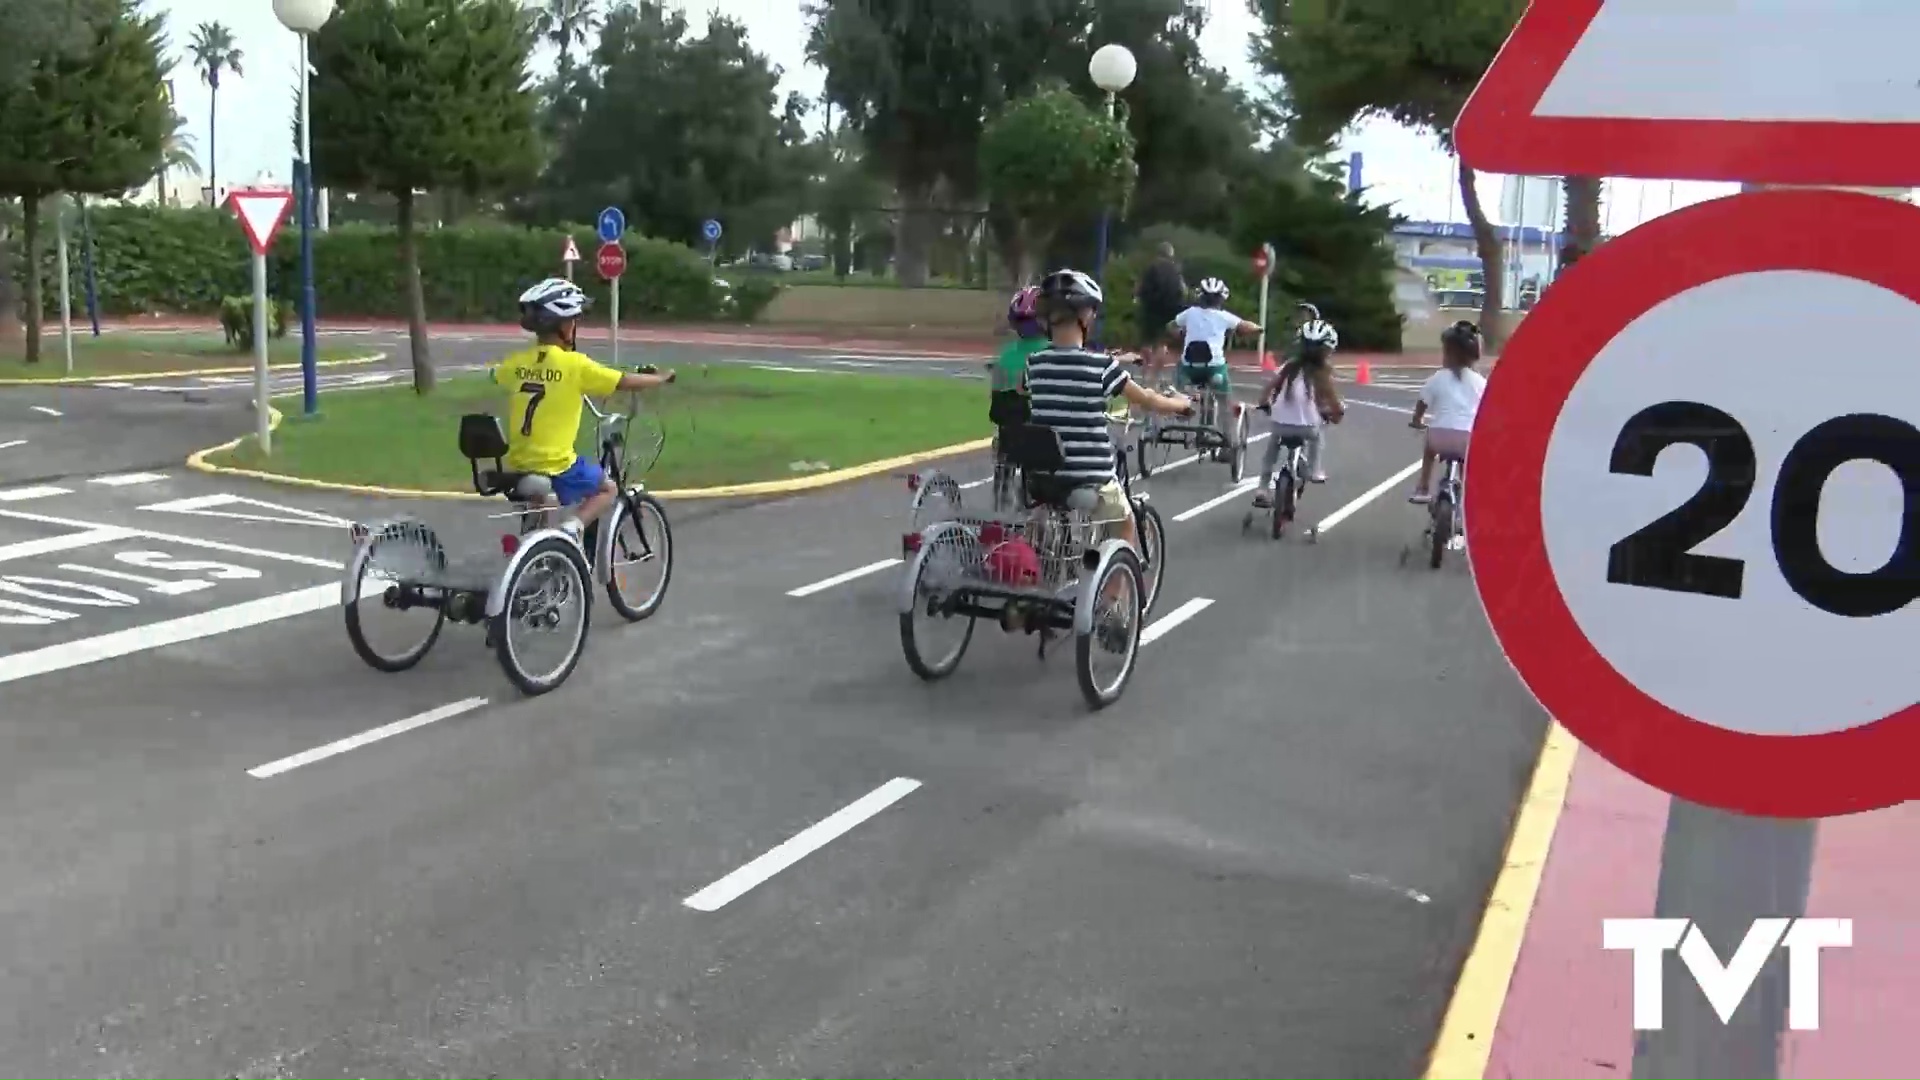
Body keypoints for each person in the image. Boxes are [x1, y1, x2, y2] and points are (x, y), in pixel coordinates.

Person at [1023, 268, 1192, 554]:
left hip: (1042, 478)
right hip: (1089, 479)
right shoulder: (1100, 367)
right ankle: (1112, 598)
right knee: (1124, 522)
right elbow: (1148, 400)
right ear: (1086, 315)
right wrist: (1181, 404)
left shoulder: (1034, 363)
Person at [492, 277, 675, 538]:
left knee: (537, 508)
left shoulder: (516, 362)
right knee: (607, 489)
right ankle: (572, 529)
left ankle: (541, 556)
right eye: (574, 321)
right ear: (564, 326)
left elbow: (498, 376)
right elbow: (623, 381)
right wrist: (660, 378)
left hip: (519, 461)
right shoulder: (576, 365)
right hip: (555, 463)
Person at [1252, 319, 1344, 507]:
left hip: (1280, 425)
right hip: (1308, 428)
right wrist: (1337, 414)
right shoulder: (1323, 372)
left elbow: (1271, 386)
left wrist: (1263, 403)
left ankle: (1262, 487)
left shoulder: (1289, 366)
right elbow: (1332, 401)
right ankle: (1314, 469)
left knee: (1273, 447)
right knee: (1317, 436)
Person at [1408, 320, 1487, 504]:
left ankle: (1423, 487)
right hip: (1467, 437)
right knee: (1465, 464)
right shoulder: (1480, 382)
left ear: (1447, 353)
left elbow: (1422, 403)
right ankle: (1468, 498)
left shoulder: (1438, 378)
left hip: (1439, 436)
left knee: (1429, 451)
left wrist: (1417, 420)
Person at [989, 286, 1048, 503]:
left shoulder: (1005, 355)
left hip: (1009, 433)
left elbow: (995, 403)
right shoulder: (1053, 352)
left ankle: (1000, 501)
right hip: (1041, 434)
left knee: (1004, 452)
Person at [1168, 277, 1260, 407]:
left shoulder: (1189, 313)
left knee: (1180, 371)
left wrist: (1180, 335)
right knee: (1225, 400)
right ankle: (1226, 423)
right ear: (1221, 298)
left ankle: (1182, 398)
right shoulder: (1225, 316)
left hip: (1189, 367)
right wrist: (1259, 329)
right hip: (1214, 368)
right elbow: (1246, 326)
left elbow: (1171, 326)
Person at [1132, 242, 1186, 386]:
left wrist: (1138, 297)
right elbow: (1183, 290)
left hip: (1151, 308)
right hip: (1170, 310)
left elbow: (1141, 287)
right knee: (1162, 343)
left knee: (1147, 341)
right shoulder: (1176, 270)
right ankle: (1155, 375)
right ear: (1171, 254)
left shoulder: (1152, 267)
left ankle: (1145, 373)